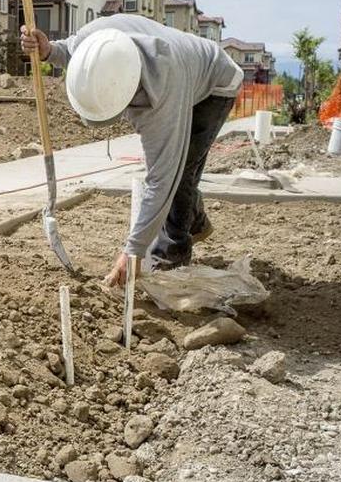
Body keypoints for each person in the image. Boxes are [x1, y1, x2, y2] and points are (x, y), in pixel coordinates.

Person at [20, 14, 243, 287]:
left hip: (216, 86)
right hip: (187, 70)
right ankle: (193, 218)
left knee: (181, 171)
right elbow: (72, 50)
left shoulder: (161, 97)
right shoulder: (97, 40)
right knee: (178, 179)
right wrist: (50, 51)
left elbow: (162, 178)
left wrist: (133, 250)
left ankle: (172, 256)